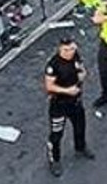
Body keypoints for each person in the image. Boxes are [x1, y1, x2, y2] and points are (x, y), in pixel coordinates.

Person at [44, 36, 94, 176]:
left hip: (76, 102)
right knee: (56, 135)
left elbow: (82, 69)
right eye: (66, 50)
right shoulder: (53, 65)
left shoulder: (76, 56)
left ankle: (81, 147)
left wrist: (82, 75)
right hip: (59, 105)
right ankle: (55, 160)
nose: (69, 52)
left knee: (80, 126)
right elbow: (49, 86)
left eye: (72, 49)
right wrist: (68, 90)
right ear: (60, 49)